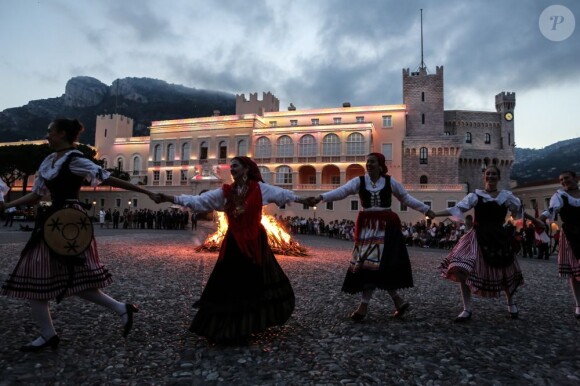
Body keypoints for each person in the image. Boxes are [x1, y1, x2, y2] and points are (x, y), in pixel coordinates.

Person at [0, 118, 158, 351]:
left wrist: (144, 190)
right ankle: (118, 309)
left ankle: (48, 334)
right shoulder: (48, 161)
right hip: (55, 219)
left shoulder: (75, 160)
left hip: (69, 222)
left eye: (50, 131)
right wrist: (5, 207)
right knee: (70, 278)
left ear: (62, 134)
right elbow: (36, 195)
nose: (47, 135)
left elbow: (106, 177)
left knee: (35, 273)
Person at [153, 156, 307, 343]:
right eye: (232, 166)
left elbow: (283, 194)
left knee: (251, 281)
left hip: (255, 242)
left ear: (246, 169)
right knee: (229, 280)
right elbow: (199, 201)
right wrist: (170, 197)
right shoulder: (226, 192)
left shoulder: (260, 189)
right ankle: (227, 326)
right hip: (234, 242)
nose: (232, 168)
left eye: (236, 165)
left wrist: (304, 199)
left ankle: (247, 326)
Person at [307, 153, 435, 321]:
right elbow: (342, 192)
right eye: (367, 162)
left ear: (380, 165)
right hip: (368, 228)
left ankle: (365, 306)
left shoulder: (389, 182)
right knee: (370, 265)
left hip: (387, 228)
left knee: (377, 265)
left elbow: (405, 198)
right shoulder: (359, 181)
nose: (368, 164)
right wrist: (321, 197)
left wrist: (426, 209)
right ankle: (396, 301)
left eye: (372, 162)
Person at [430, 165, 533, 322]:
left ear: (498, 177)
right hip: (477, 235)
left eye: (494, 174)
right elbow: (457, 209)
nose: (491, 176)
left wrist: (526, 220)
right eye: (488, 174)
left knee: (505, 272)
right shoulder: (475, 196)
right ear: (484, 177)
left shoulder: (506, 196)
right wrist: (434, 214)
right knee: (460, 266)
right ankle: (467, 309)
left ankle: (511, 303)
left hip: (498, 237)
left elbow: (519, 211)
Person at [535, 170, 580, 319]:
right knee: (574, 272)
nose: (564, 181)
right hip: (571, 234)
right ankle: (578, 304)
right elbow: (552, 209)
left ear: (575, 178)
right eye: (561, 180)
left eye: (566, 178)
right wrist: (541, 217)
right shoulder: (560, 196)